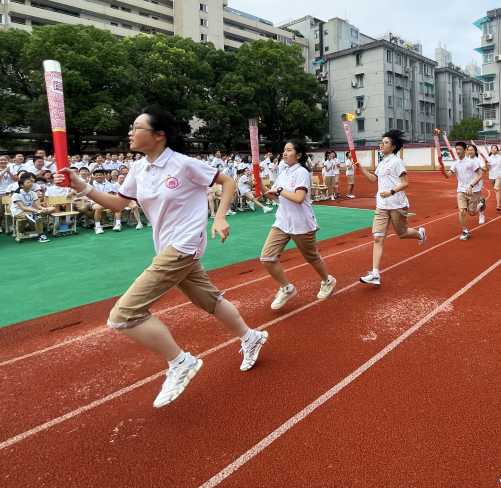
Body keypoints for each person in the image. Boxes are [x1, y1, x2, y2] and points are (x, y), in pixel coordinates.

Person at [55, 105, 268, 409]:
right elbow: (117, 204)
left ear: (158, 135)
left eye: (136, 127)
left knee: (124, 316)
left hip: (185, 245)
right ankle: (250, 337)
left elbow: (228, 182)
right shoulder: (139, 168)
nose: (130, 132)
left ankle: (180, 362)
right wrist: (84, 186)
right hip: (166, 246)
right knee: (209, 300)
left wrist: (219, 218)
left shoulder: (183, 164)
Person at [260, 139, 336, 309]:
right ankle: (286, 289)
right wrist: (259, 181)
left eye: (288, 150)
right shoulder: (283, 172)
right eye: (284, 150)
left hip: (301, 223)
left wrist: (279, 191)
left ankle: (327, 280)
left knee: (312, 258)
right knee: (267, 257)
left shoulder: (301, 172)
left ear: (299, 154)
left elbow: (299, 198)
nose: (284, 153)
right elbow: (272, 196)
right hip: (282, 222)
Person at [355, 130, 426, 285]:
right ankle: (375, 274)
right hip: (381, 205)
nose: (382, 144)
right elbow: (374, 179)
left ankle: (420, 234)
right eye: (381, 142)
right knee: (377, 237)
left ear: (393, 147)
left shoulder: (396, 162)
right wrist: (362, 170)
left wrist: (392, 191)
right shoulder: (382, 163)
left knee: (402, 233)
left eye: (385, 142)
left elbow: (405, 182)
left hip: (397, 205)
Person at [443, 142, 486, 240]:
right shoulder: (455, 163)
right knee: (462, 211)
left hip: (474, 190)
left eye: (460, 149)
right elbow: (448, 176)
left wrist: (471, 186)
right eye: (457, 149)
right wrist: (443, 170)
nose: (458, 151)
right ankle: (465, 231)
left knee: (472, 213)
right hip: (461, 191)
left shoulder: (471, 162)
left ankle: (481, 203)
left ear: (464, 150)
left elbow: (480, 175)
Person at [11, 172, 53, 243]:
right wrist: (36, 211)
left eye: (31, 182)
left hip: (31, 211)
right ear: (21, 185)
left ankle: (37, 229)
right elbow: (22, 207)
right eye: (27, 183)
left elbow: (38, 205)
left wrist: (42, 208)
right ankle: (40, 234)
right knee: (37, 216)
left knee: (51, 209)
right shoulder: (16, 194)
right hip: (19, 211)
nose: (30, 184)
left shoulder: (33, 193)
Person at [487, 145, 501, 211]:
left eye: (495, 148)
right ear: (491, 150)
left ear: (497, 150)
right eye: (492, 148)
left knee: (497, 189)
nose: (493, 149)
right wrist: (486, 163)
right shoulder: (489, 158)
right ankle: (500, 197)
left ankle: (498, 205)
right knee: (496, 190)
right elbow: (487, 168)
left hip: (499, 175)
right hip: (491, 176)